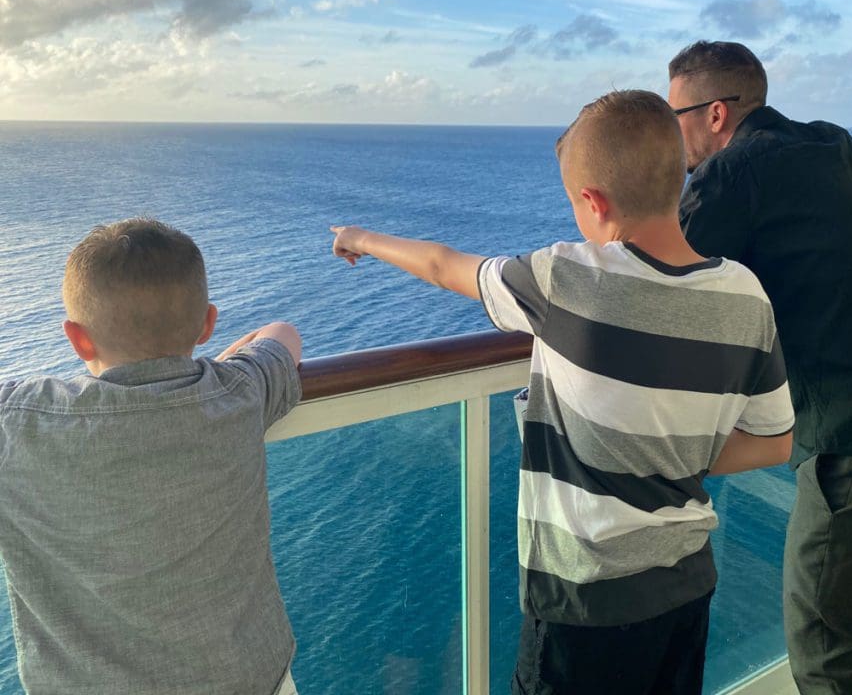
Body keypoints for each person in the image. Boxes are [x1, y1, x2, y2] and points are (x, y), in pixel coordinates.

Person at [330, 89, 795, 695]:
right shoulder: (745, 297)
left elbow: (445, 266)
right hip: (684, 587)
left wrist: (361, 237)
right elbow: (774, 442)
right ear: (679, 174)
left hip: (583, 600)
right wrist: (673, 447)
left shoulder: (566, 278)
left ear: (593, 202)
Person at [667, 41, 852, 694]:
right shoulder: (836, 146)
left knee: (826, 646)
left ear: (716, 113)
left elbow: (657, 283)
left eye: (675, 117)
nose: (671, 137)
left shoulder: (732, 174)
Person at [0, 218, 303, 695]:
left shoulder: (19, 422)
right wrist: (214, 372)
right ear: (207, 324)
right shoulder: (239, 394)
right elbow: (281, 336)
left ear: (76, 337)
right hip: (250, 680)